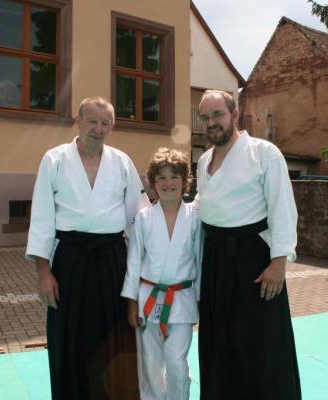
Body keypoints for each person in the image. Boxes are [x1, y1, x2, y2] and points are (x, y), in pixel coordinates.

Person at [25, 97, 149, 400]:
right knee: (69, 336)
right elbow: (41, 218)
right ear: (78, 121)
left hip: (112, 260)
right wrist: (44, 272)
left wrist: (145, 275)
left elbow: (139, 218)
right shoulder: (53, 160)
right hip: (70, 260)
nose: (98, 128)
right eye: (92, 121)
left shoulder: (121, 162)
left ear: (112, 127)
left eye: (105, 123)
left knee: (114, 337)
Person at [195, 90, 301, 399]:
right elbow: (202, 207)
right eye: (205, 117)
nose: (211, 122)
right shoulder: (204, 161)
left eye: (217, 115)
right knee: (219, 342)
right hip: (216, 261)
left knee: (260, 343)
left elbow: (283, 207)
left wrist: (279, 262)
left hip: (255, 262)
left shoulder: (264, 153)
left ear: (234, 115)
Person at [121, 148, 202, 400]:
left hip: (182, 299)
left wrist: (201, 301)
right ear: (153, 184)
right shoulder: (143, 218)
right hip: (148, 299)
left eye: (174, 176)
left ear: (185, 181)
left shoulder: (196, 218)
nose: (168, 183)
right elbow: (133, 261)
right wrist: (131, 302)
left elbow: (200, 261)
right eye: (162, 178)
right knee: (151, 362)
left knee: (176, 361)